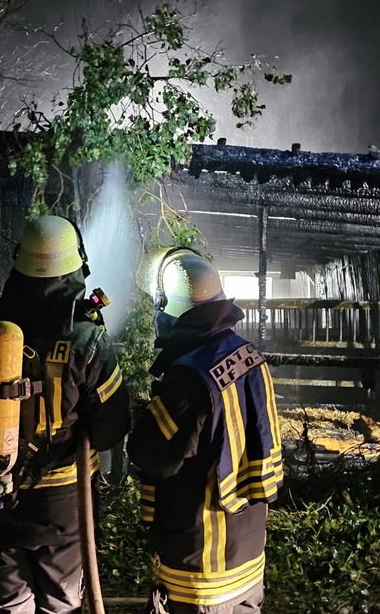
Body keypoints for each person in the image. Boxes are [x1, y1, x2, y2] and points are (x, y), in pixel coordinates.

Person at [0, 214, 131, 614]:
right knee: (60, 605)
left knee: (6, 605)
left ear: (18, 261)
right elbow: (110, 429)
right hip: (61, 502)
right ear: (78, 265)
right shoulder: (85, 338)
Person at [127, 248, 283, 614]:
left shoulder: (189, 376)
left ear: (172, 305)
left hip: (202, 571)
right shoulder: (249, 356)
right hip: (247, 560)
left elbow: (154, 456)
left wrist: (140, 419)